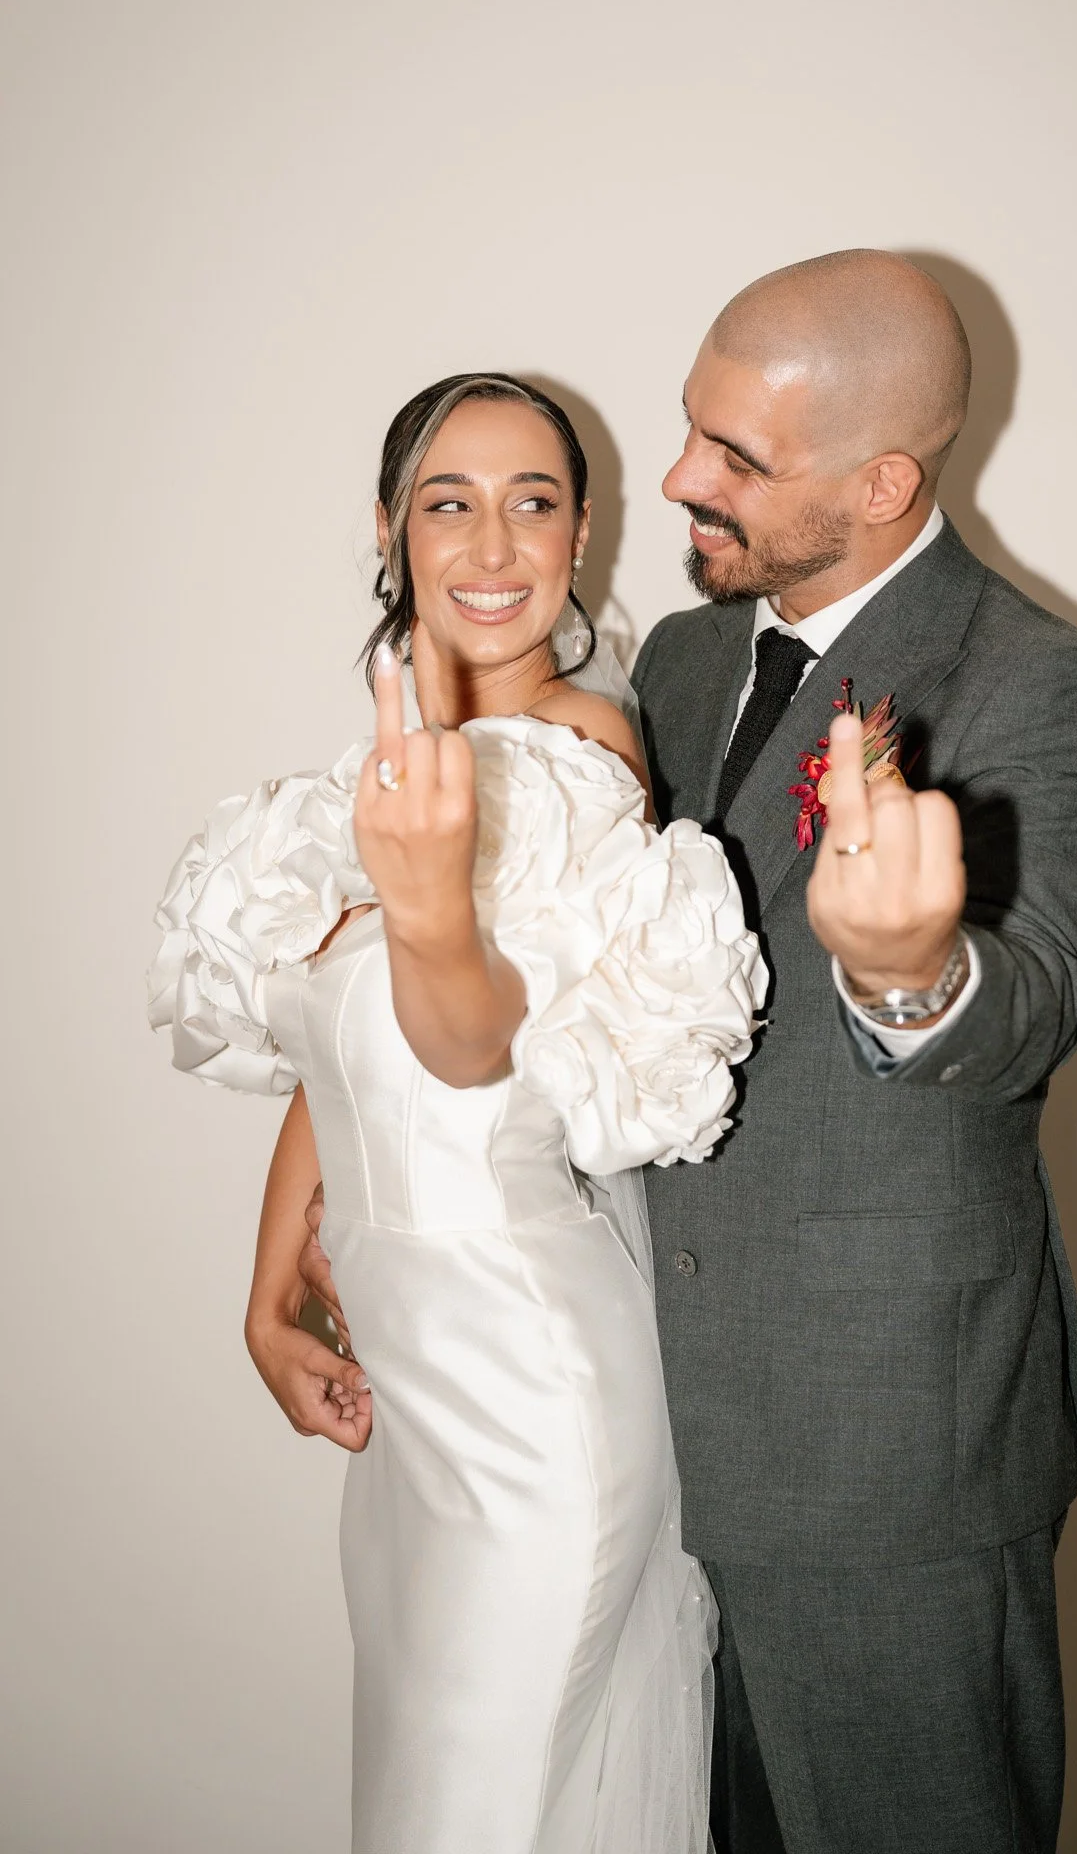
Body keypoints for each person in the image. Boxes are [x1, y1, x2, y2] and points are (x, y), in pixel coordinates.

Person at [148, 374, 767, 1854]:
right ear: (389, 529)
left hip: (531, 1396)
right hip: (413, 1414)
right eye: (450, 501)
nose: (494, 542)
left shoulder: (580, 759)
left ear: (582, 533)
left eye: (534, 501)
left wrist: (429, 912)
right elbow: (339, 1052)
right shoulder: (401, 761)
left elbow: (475, 1049)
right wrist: (267, 1286)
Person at [628, 251, 1077, 1854]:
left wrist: (913, 972)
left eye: (737, 460)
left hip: (892, 1470)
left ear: (883, 482)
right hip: (646, 1444)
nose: (679, 481)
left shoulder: (1050, 692)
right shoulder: (680, 662)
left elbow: (1032, 1004)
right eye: (692, 430)